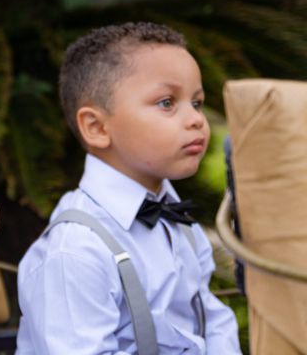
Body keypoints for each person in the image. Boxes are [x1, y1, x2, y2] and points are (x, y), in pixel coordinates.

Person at [15, 23, 241, 354]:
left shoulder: (177, 219)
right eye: (167, 102)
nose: (196, 119)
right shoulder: (77, 250)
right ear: (96, 127)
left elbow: (210, 317)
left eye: (197, 102)